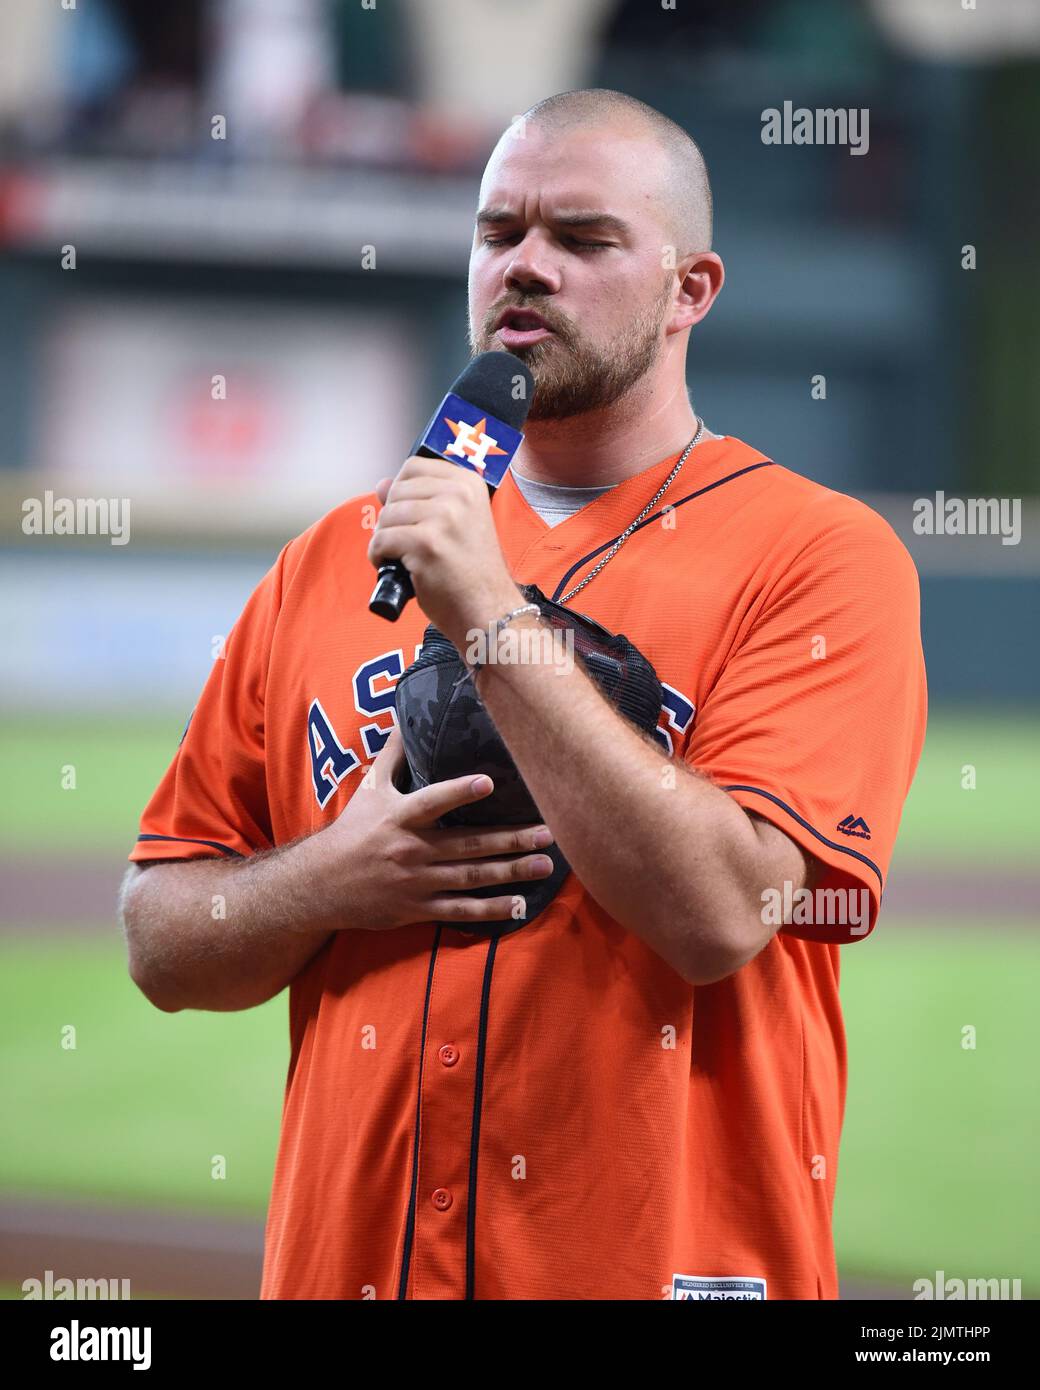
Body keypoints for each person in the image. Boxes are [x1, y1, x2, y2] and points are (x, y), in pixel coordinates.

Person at [120, 88, 927, 1300]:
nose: (525, 267)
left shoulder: (817, 556)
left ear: (689, 289)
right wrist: (326, 881)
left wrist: (490, 616)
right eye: (499, 234)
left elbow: (719, 914)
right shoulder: (334, 555)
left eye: (584, 240)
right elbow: (162, 938)